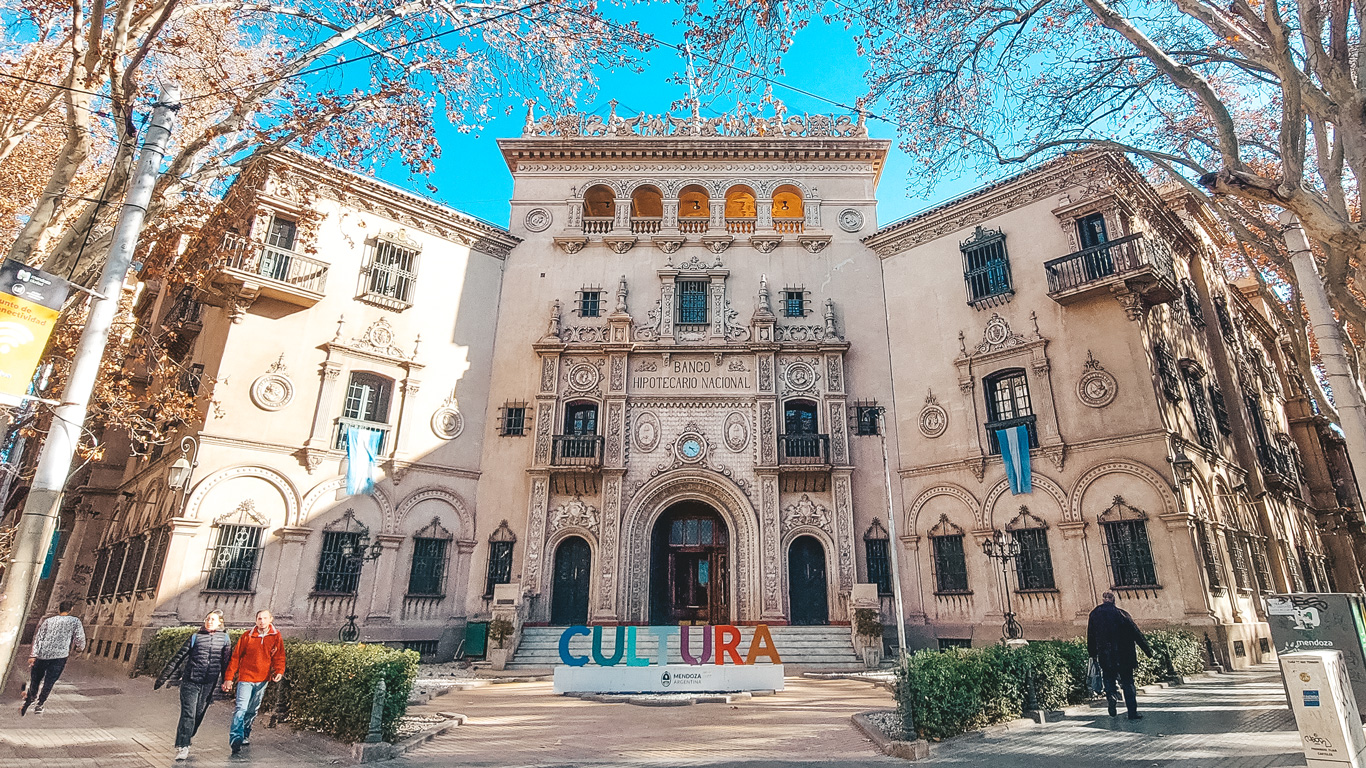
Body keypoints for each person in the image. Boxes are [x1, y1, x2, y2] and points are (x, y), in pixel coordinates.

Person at [156, 611, 233, 761]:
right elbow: (178, 657)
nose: (209, 621)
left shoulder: (224, 639)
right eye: (208, 619)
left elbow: (226, 663)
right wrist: (162, 678)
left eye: (213, 619)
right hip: (190, 681)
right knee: (188, 714)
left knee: (198, 715)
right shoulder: (195, 637)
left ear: (220, 623)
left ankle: (184, 737)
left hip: (209, 684)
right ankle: (184, 746)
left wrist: (226, 681)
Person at [223, 610, 285, 755]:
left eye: (264, 618)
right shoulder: (247, 636)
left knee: (252, 710)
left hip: (262, 680)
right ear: (256, 621)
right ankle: (235, 738)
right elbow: (236, 657)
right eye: (259, 618)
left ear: (271, 619)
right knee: (241, 708)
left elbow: (279, 656)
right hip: (246, 678)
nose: (261, 621)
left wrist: (279, 671)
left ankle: (245, 733)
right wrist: (229, 678)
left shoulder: (276, 636)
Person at [1087, 591, 1154, 720]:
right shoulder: (1122, 614)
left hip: (1106, 655)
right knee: (1128, 683)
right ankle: (1132, 712)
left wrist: (1092, 654)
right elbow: (1136, 633)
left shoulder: (1094, 614)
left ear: (1103, 600)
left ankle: (1111, 695)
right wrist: (1148, 651)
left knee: (1108, 678)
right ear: (1113, 600)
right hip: (1125, 655)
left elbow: (1091, 636)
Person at [22, 600, 86, 715]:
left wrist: (33, 654)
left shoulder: (48, 621)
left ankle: (31, 697)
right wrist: (79, 648)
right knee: (49, 681)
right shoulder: (75, 621)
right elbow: (80, 638)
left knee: (36, 679)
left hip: (43, 655)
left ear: (58, 609)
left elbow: (39, 638)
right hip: (60, 656)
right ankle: (40, 703)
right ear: (71, 610)